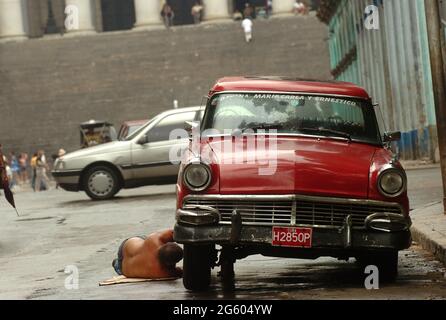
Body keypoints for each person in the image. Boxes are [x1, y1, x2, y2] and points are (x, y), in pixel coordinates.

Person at [112, 229, 183, 279]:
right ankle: (116, 263)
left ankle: (117, 262)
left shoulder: (154, 239)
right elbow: (182, 271)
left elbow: (177, 232)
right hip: (122, 269)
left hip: (126, 246)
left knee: (144, 242)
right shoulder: (161, 272)